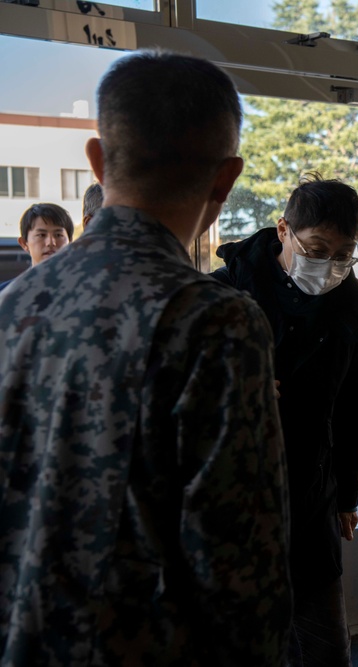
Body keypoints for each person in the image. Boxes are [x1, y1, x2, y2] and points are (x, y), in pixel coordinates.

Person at [0, 51, 292, 664]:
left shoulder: (15, 302)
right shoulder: (215, 320)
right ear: (227, 178)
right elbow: (241, 563)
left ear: (98, 162)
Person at [212, 174, 358, 667]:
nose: (328, 265)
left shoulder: (351, 309)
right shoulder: (222, 294)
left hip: (312, 493)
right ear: (284, 230)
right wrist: (230, 390)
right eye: (316, 248)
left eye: (343, 254)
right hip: (232, 497)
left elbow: (354, 408)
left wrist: (348, 496)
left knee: (325, 649)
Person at [0, 203, 75, 292]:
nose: (51, 243)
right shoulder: (6, 294)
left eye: (58, 235)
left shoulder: (85, 290)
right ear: (24, 243)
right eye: (41, 235)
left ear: (70, 242)